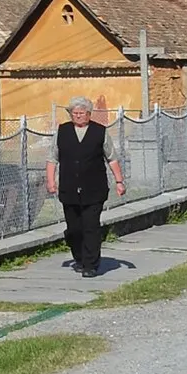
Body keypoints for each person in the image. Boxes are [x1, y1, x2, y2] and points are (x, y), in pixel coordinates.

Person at [45, 96, 124, 275]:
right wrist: (50, 181)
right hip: (68, 187)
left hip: (94, 188)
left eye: (81, 113)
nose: (78, 116)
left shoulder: (100, 132)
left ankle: (91, 265)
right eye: (74, 113)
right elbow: (52, 158)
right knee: (74, 229)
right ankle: (79, 258)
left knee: (91, 226)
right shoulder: (62, 131)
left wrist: (119, 181)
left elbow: (112, 158)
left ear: (89, 114)